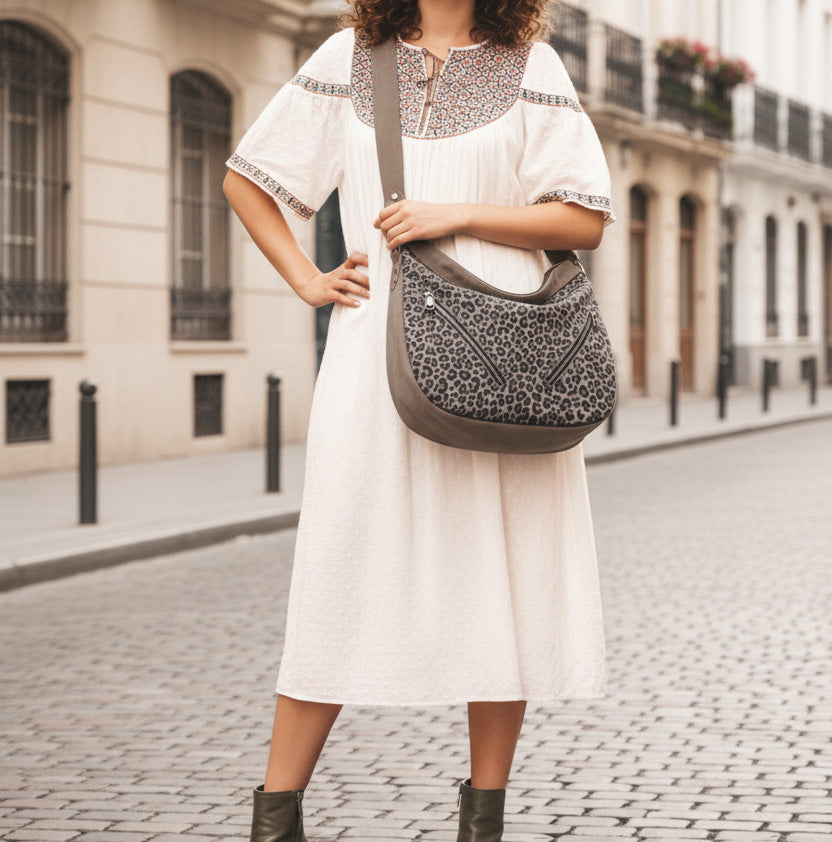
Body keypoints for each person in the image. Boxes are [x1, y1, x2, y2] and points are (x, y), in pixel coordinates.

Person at [223, 1, 615, 840]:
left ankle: (483, 820)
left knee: (505, 579)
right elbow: (248, 179)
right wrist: (306, 279)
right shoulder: (348, 57)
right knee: (338, 571)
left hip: (507, 360)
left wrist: (455, 214)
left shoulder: (532, 67)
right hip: (375, 363)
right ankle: (275, 819)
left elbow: (583, 218)